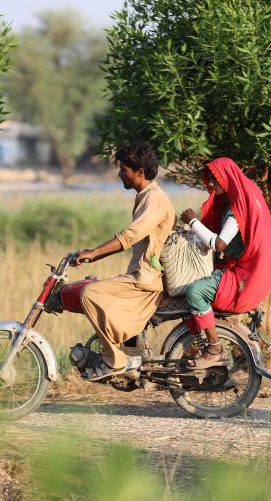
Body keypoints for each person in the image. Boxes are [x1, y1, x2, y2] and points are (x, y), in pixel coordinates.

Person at [74, 141, 176, 380]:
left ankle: (115, 360)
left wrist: (94, 253)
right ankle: (129, 357)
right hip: (141, 275)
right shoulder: (147, 196)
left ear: (139, 172)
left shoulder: (154, 199)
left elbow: (130, 236)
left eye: (124, 170)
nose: (120, 174)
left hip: (146, 279)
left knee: (89, 294)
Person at [179, 157, 271, 367]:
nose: (211, 185)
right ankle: (194, 348)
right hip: (238, 270)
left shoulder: (236, 211)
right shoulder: (235, 204)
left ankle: (214, 348)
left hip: (242, 278)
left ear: (227, 179)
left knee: (194, 292)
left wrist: (193, 221)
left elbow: (220, 244)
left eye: (215, 179)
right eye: (209, 180)